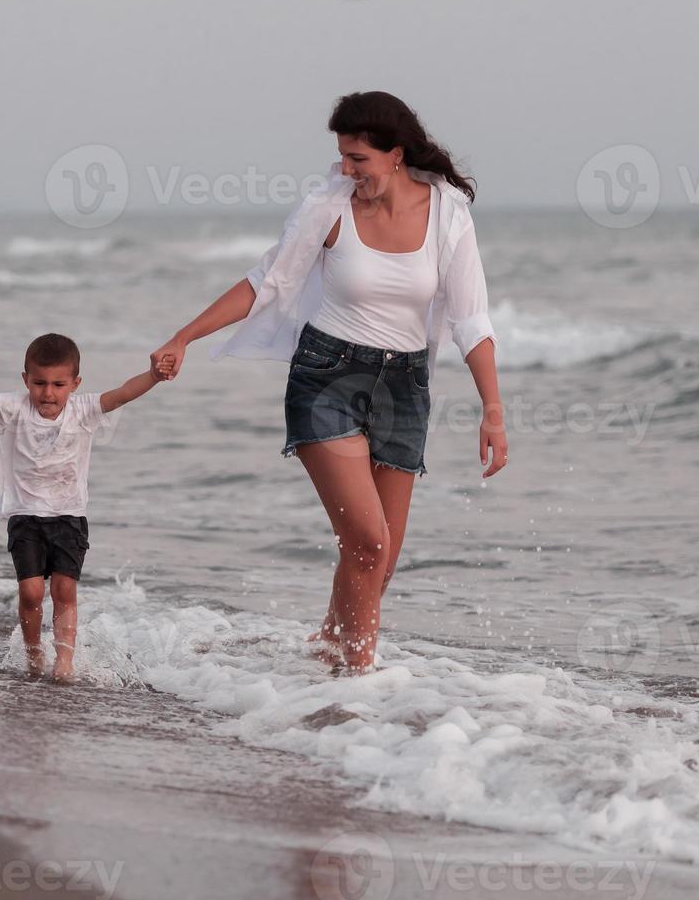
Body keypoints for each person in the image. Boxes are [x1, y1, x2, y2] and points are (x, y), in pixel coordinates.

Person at [149, 92, 508, 673]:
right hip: (327, 377)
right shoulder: (329, 206)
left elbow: (472, 319)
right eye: (342, 156)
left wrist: (492, 409)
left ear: (395, 155)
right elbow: (266, 282)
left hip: (404, 388)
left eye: (358, 159)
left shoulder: (446, 212)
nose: (347, 169)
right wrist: (183, 336)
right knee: (368, 544)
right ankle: (355, 686)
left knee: (380, 559)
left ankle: (327, 651)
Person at [0, 334, 166, 681]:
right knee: (31, 593)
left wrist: (152, 375)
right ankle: (34, 655)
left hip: (69, 515)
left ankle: (65, 661)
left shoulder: (83, 411)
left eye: (59, 384)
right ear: (25, 380)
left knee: (64, 591)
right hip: (25, 515)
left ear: (75, 384)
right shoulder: (15, 408)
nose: (48, 393)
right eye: (40, 383)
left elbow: (123, 392)